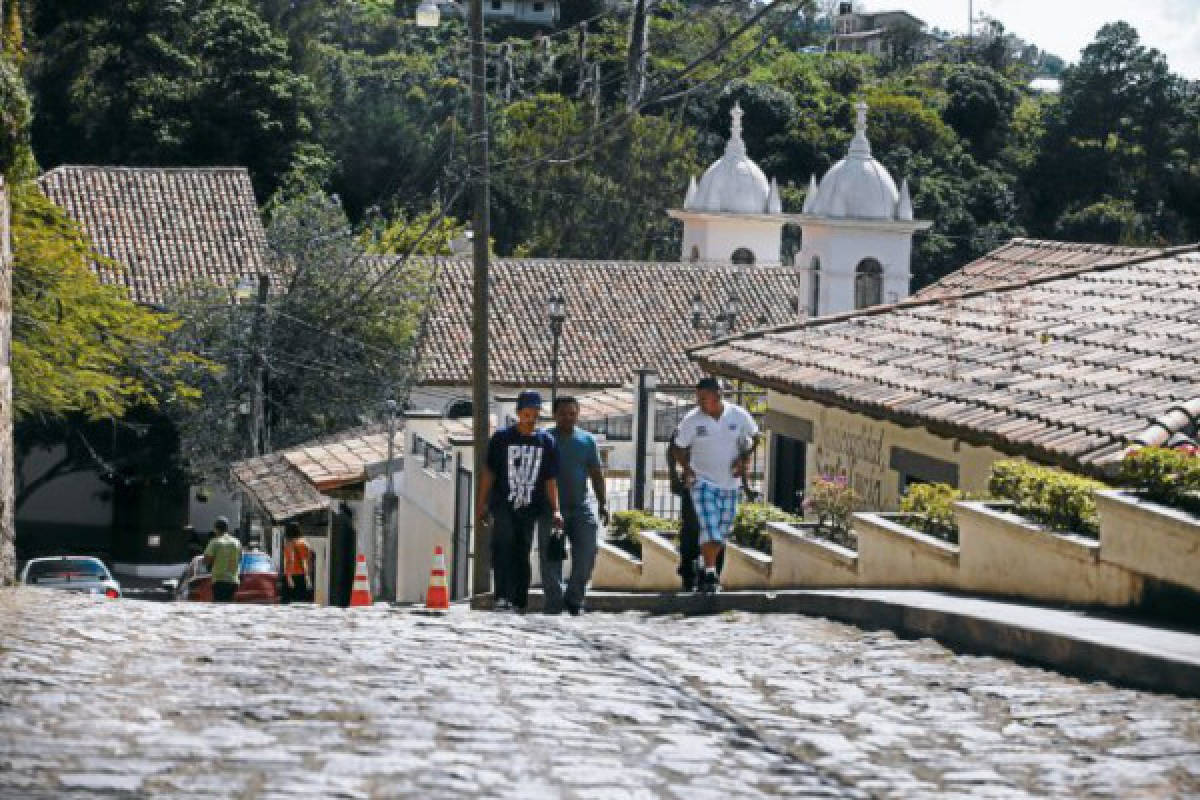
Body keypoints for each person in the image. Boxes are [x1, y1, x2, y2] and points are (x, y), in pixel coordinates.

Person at [669, 378, 759, 594]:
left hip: (730, 484)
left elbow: (756, 437)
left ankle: (705, 566)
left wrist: (744, 458)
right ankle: (710, 572)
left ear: (718, 395)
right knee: (710, 529)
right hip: (702, 483)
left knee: (722, 530)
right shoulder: (692, 420)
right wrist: (686, 469)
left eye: (704, 398)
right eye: (698, 398)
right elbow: (677, 447)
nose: (700, 402)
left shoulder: (738, 415)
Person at [476, 390, 562, 612]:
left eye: (534, 413)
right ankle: (502, 595)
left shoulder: (546, 442)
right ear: (518, 413)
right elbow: (489, 473)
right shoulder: (502, 438)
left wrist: (556, 509)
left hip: (531, 505)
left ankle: (519, 598)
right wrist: (481, 503)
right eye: (526, 413)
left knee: (522, 550)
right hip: (503, 502)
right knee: (503, 545)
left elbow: (550, 479)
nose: (530, 418)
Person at [539, 396, 608, 615]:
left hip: (581, 507)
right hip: (550, 509)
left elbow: (597, 475)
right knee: (550, 558)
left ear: (578, 414)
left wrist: (603, 503)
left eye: (572, 413)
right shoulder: (544, 439)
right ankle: (554, 602)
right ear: (554, 415)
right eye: (563, 414)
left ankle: (574, 598)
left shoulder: (587, 441)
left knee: (587, 553)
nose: (568, 418)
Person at [204, 516, 242, 603]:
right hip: (233, 582)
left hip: (219, 581)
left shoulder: (215, 542)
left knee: (219, 607)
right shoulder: (237, 542)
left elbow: (207, 560)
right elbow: (240, 559)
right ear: (227, 528)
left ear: (216, 529)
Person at [281, 522, 314, 604]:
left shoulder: (288, 545)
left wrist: (288, 577)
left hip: (290, 575)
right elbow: (304, 561)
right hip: (300, 576)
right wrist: (308, 578)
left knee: (288, 603)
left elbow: (288, 561)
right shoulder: (303, 543)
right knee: (301, 603)